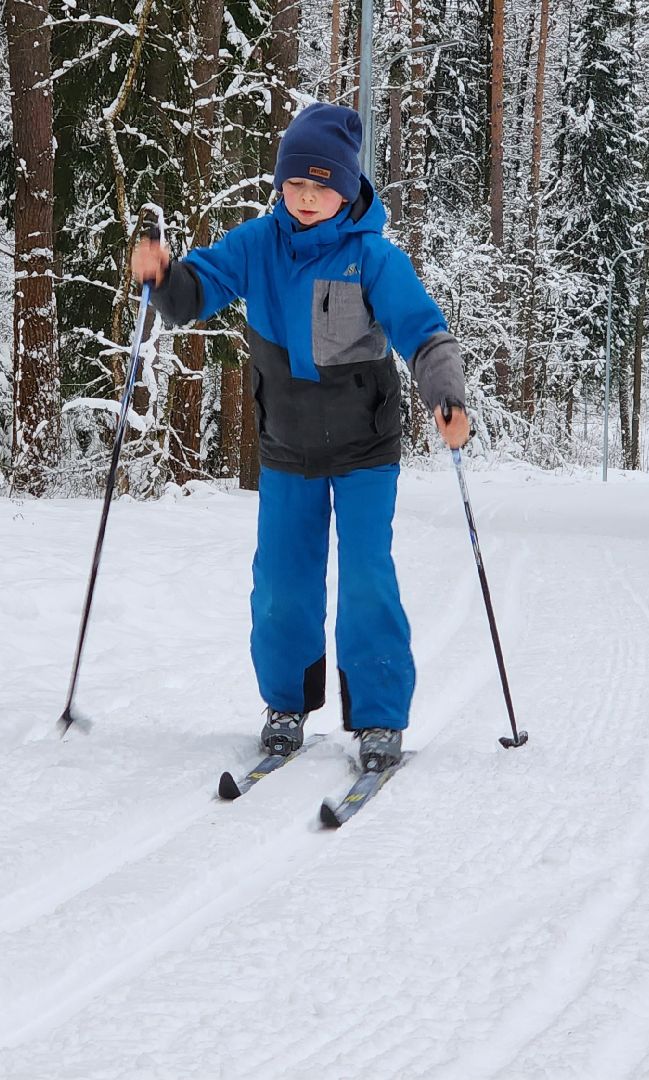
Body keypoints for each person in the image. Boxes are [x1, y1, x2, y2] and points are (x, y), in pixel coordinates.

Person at [129, 102, 468, 773]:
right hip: (286, 445)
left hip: (365, 448)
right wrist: (163, 276)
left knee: (367, 580)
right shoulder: (257, 245)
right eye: (294, 183)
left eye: (321, 184)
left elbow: (425, 333)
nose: (306, 197)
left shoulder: (373, 257)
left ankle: (379, 716)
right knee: (282, 583)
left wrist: (446, 396)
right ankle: (285, 705)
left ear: (346, 188)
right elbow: (198, 290)